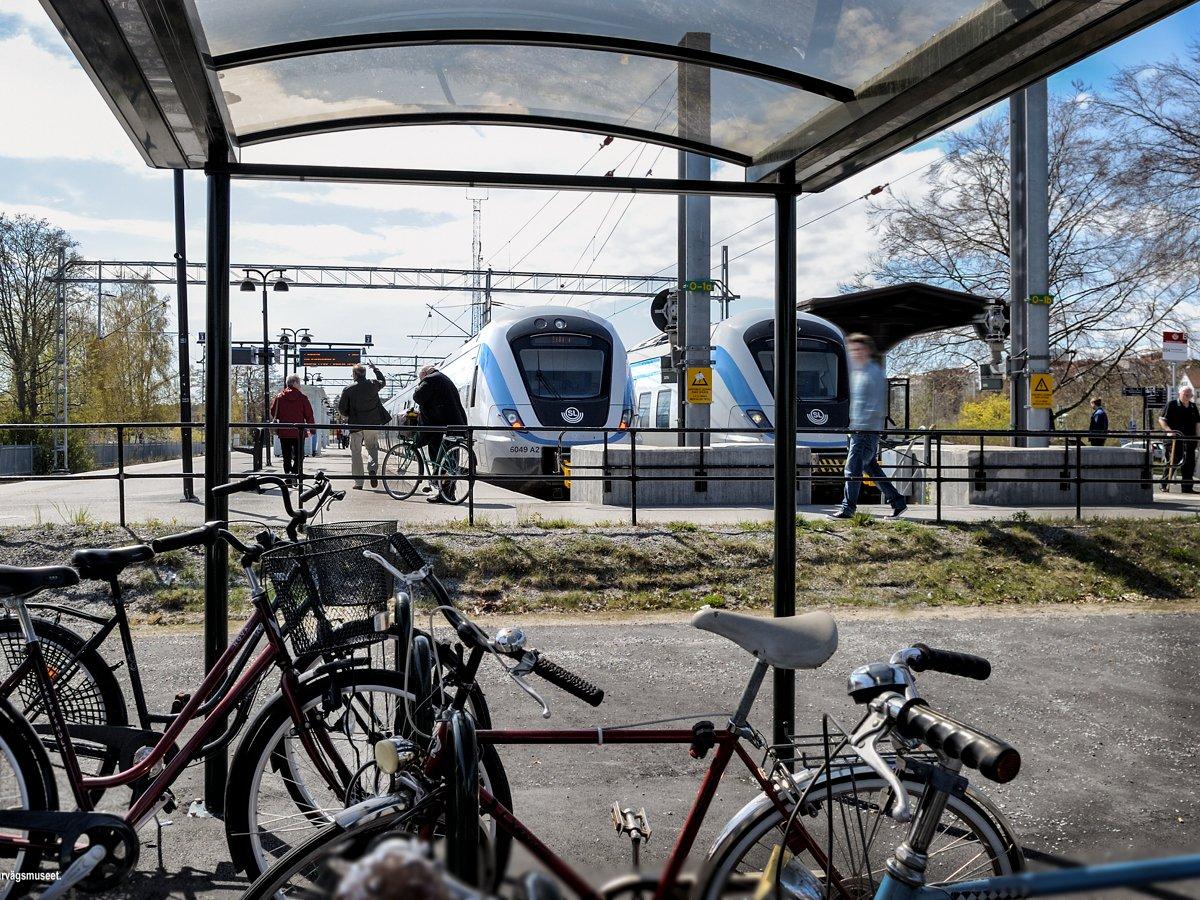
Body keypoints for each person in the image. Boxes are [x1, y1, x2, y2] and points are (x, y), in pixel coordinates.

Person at [830, 333, 907, 519]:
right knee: (871, 469)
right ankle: (898, 502)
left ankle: (848, 509)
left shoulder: (872, 373)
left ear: (866, 350)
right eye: (852, 350)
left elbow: (875, 405)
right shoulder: (860, 373)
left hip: (864, 430)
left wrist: (861, 426)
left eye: (858, 349)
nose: (855, 353)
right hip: (858, 430)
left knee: (852, 469)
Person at [413, 365, 468, 504]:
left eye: (421, 379)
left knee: (441, 461)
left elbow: (418, 397)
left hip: (440, 426)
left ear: (424, 374)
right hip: (454, 425)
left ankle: (443, 494)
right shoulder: (444, 379)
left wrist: (418, 386)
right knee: (450, 461)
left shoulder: (430, 379)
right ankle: (448, 494)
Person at [338, 363, 388, 490]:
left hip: (356, 425)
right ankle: (372, 470)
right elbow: (383, 381)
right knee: (372, 448)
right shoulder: (373, 384)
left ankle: (359, 483)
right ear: (365, 374)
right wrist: (376, 369)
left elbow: (342, 409)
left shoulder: (348, 389)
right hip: (372, 423)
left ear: (354, 374)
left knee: (356, 452)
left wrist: (349, 413)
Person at [270, 374, 315, 480]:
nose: (300, 385)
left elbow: (273, 412)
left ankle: (288, 476)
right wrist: (312, 429)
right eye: (299, 382)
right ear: (294, 383)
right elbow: (309, 415)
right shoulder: (303, 398)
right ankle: (295, 473)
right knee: (300, 456)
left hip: (284, 431)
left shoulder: (279, 397)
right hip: (298, 432)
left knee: (286, 456)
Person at [1158, 385, 1200, 493]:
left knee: (1189, 463)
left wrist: (1197, 437)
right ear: (1179, 394)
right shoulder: (1172, 404)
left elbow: (1197, 423)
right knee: (1173, 462)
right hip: (1174, 440)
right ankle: (1164, 485)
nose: (1187, 396)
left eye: (1189, 394)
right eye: (1185, 394)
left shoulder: (1193, 407)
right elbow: (1162, 420)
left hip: (1189, 440)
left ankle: (1187, 487)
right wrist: (1169, 431)